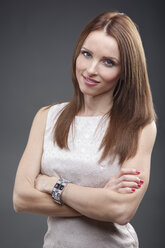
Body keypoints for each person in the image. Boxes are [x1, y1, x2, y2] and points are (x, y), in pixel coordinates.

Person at [13, 10, 157, 248]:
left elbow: (121, 210)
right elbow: (21, 199)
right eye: (86, 54)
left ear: (125, 72)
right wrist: (100, 202)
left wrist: (53, 185)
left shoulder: (140, 127)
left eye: (108, 62)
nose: (91, 70)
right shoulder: (46, 117)